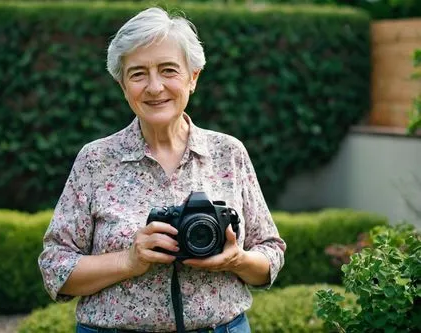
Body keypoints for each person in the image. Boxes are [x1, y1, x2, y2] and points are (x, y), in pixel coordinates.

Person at [38, 7, 286, 333]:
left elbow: (271, 253)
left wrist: (236, 259)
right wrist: (129, 261)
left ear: (193, 77)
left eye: (168, 70)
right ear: (123, 85)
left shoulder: (228, 153)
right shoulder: (96, 160)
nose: (154, 87)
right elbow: (55, 268)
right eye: (138, 73)